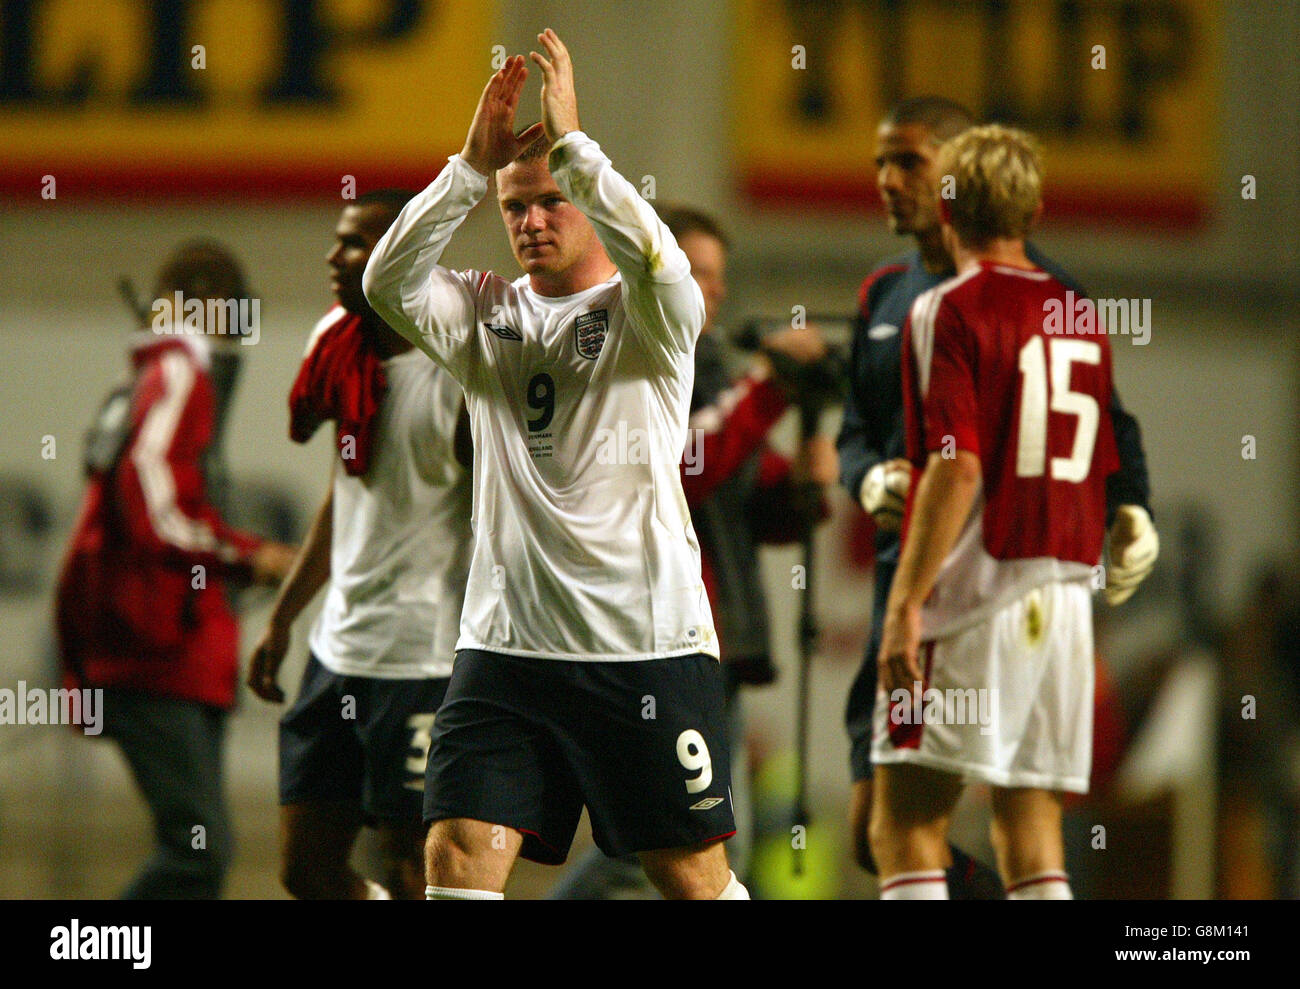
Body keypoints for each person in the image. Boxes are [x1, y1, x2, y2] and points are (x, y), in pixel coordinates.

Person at [363, 31, 746, 900]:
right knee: (455, 856)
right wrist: (467, 169)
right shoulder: (481, 314)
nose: (531, 222)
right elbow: (386, 284)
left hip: (639, 646)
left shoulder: (651, 313)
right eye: (514, 207)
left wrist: (576, 152)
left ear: (582, 197)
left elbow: (662, 259)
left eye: (551, 203)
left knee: (690, 878)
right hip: (504, 649)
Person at [837, 96, 1158, 896]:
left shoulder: (945, 308)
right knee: (1032, 825)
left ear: (950, 195)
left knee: (900, 825)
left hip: (966, 589)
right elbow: (1103, 438)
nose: (887, 180)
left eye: (907, 162)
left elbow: (958, 465)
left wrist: (907, 604)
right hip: (1062, 601)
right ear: (1036, 205)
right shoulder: (1077, 310)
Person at [547, 206, 837, 898]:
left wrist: (801, 487)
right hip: (651, 642)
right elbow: (686, 465)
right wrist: (769, 384)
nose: (712, 292)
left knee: (689, 844)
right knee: (665, 841)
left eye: (716, 280)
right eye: (698, 273)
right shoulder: (631, 357)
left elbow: (747, 502)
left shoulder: (709, 371)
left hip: (709, 647)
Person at [247, 191, 473, 900]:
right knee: (305, 872)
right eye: (338, 240)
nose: (333, 257)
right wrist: (284, 618)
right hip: (336, 651)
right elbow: (341, 498)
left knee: (414, 866)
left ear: (402, 261)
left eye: (354, 245)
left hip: (423, 660)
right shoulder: (337, 340)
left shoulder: (461, 376)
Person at [54, 241, 295, 899]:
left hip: (173, 652)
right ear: (212, 307)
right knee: (198, 853)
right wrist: (248, 556)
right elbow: (154, 505)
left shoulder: (147, 381)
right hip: (158, 652)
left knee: (199, 851)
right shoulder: (177, 374)